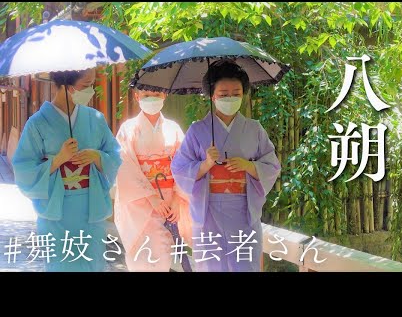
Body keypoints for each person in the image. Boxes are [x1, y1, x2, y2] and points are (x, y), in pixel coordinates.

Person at [171, 60, 281, 272]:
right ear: (212, 96)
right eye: (223, 94)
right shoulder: (197, 130)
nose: (230, 98)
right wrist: (205, 164)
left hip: (243, 210)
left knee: (245, 264)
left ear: (243, 94)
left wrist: (247, 166)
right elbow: (179, 168)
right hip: (208, 209)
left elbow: (272, 165)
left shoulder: (254, 129)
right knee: (211, 266)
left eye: (236, 92)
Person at [11, 69, 122, 272]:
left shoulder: (95, 118)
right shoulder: (37, 123)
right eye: (85, 85)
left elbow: (115, 155)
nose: (91, 90)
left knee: (92, 265)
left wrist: (97, 157)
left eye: (92, 84)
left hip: (91, 208)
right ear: (67, 86)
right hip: (56, 212)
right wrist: (58, 160)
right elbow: (24, 169)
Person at [114, 88, 192, 272]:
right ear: (136, 96)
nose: (151, 99)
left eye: (156, 95)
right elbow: (125, 167)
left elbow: (185, 165)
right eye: (146, 95)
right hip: (140, 207)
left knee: (162, 256)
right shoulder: (128, 129)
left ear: (164, 95)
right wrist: (151, 198)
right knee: (140, 256)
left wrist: (175, 199)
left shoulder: (173, 129)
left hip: (168, 204)